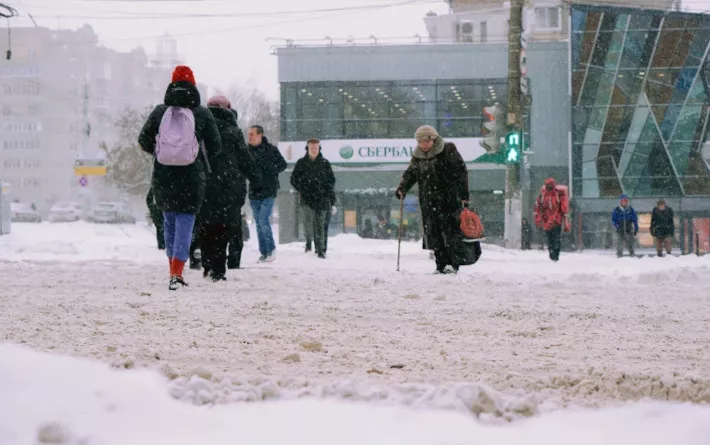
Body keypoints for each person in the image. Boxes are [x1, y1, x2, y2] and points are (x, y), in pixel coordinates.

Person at [138, 65, 221, 290]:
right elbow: (215, 145)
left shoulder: (159, 111)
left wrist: (162, 152)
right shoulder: (202, 113)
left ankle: (171, 270)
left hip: (164, 176)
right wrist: (195, 154)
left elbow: (143, 139)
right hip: (192, 178)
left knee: (169, 222)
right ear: (193, 85)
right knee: (185, 223)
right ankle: (177, 273)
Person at [199, 95, 260, 281]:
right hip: (229, 186)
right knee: (223, 227)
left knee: (206, 225)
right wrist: (256, 177)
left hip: (205, 183)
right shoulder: (233, 131)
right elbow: (244, 157)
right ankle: (218, 268)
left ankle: (207, 263)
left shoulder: (201, 129)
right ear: (229, 109)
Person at [395, 125, 469, 274]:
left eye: (427, 141)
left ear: (434, 140)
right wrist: (402, 188)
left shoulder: (448, 150)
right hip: (428, 201)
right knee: (434, 233)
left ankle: (452, 264)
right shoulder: (418, 156)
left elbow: (461, 172)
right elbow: (410, 174)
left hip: (449, 200)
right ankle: (440, 264)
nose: (424, 145)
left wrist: (463, 196)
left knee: (450, 232)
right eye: (421, 142)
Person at [290, 138, 336, 258]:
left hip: (321, 198)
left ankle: (320, 250)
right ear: (308, 148)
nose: (314, 150)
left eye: (316, 148)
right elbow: (293, 179)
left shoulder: (325, 163)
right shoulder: (301, 163)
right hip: (306, 198)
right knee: (308, 223)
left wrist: (325, 191)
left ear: (319, 148)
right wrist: (303, 188)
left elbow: (332, 181)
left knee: (319, 224)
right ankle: (309, 242)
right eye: (312, 148)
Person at [247, 125, 287, 262]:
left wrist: (270, 170)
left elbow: (283, 164)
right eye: (249, 134)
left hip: (269, 190)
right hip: (254, 191)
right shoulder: (247, 151)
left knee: (263, 219)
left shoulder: (271, 150)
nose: (249, 137)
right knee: (258, 223)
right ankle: (264, 253)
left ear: (260, 135)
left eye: (252, 134)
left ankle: (271, 249)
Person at [533, 178, 567, 262]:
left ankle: (554, 255)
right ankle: (553, 254)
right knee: (551, 239)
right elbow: (537, 208)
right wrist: (539, 218)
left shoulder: (558, 195)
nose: (548, 187)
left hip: (555, 221)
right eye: (547, 185)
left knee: (555, 239)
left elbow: (563, 209)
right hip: (548, 222)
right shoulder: (543, 196)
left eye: (549, 185)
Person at [611, 194, 638, 258]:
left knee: (630, 242)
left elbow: (634, 218)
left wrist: (636, 227)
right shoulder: (617, 209)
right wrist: (617, 226)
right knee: (619, 243)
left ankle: (632, 255)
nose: (624, 202)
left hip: (628, 228)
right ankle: (619, 255)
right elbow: (613, 220)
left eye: (625, 201)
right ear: (620, 201)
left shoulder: (630, 209)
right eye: (623, 201)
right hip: (620, 228)